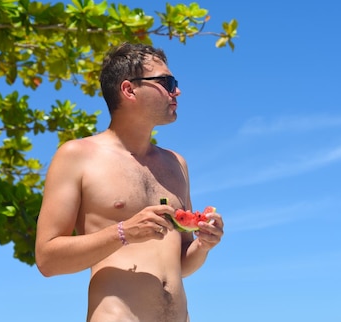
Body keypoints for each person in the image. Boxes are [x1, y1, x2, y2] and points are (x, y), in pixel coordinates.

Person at [35, 42, 224, 322]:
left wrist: (203, 245)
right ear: (129, 90)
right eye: (167, 82)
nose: (177, 91)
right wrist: (123, 232)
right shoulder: (76, 156)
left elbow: (181, 263)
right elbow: (47, 259)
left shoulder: (176, 164)